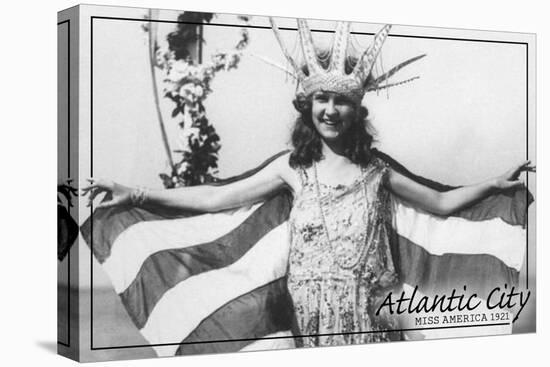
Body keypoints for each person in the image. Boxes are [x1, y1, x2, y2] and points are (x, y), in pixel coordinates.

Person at [82, 19, 534, 348]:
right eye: (322, 99)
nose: (331, 110)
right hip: (309, 311)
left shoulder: (377, 172)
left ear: (358, 111)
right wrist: (137, 193)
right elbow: (214, 198)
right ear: (308, 105)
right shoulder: (290, 170)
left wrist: (495, 183)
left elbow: (438, 201)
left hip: (372, 312)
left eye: (341, 101)